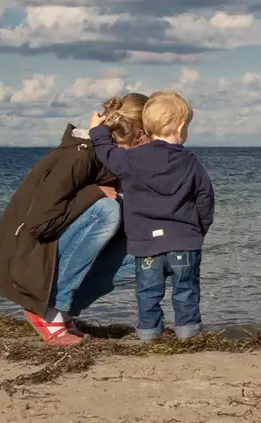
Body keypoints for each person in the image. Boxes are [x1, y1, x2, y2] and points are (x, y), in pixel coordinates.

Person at [0, 93, 149, 346]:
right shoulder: (78, 156)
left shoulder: (116, 162)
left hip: (51, 251)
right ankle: (47, 311)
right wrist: (95, 192)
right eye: (154, 134)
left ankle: (63, 311)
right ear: (139, 134)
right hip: (27, 257)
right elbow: (40, 223)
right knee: (106, 211)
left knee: (145, 251)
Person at [90, 90, 214, 341]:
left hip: (146, 244)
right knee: (186, 291)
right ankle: (188, 331)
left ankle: (148, 333)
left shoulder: (131, 159)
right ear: (180, 128)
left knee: (148, 292)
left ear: (146, 127)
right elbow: (205, 198)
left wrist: (98, 130)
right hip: (184, 242)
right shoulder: (190, 161)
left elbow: (107, 153)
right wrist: (199, 229)